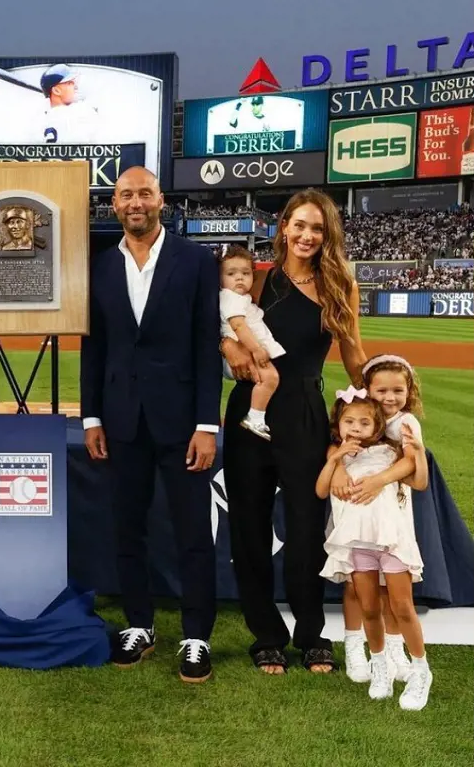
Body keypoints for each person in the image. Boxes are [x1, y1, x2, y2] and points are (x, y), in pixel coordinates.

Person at [80, 166, 220, 683]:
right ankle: (140, 624)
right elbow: (94, 347)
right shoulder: (98, 265)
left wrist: (208, 423)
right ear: (113, 205)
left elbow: (207, 345)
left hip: (183, 422)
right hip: (119, 419)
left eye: (144, 192)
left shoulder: (196, 260)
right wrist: (91, 415)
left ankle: (196, 635)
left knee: (191, 533)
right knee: (127, 528)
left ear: (161, 198)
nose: (135, 202)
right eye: (125, 195)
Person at [220, 189, 367, 676]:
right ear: (283, 226)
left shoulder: (340, 284)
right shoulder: (256, 281)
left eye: (318, 228)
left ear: (328, 235)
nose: (307, 235)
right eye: (299, 225)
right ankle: (266, 635)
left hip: (305, 409)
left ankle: (310, 634)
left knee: (307, 529)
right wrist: (229, 347)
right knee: (249, 527)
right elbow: (219, 322)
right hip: (251, 411)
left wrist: (383, 399)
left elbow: (352, 355)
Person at [318, 387, 432, 711]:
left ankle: (420, 670)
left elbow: (420, 481)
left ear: (378, 425)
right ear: (337, 425)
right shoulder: (338, 455)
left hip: (392, 540)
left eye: (364, 423)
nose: (356, 428)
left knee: (401, 606)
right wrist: (337, 459)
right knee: (369, 608)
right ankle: (378, 665)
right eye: (348, 422)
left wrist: (418, 452)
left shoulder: (390, 453)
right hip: (358, 543)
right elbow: (320, 489)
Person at [339, 354, 430, 685]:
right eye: (382, 391)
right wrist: (336, 468)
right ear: (367, 390)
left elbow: (413, 468)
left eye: (398, 390)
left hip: (389, 512)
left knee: (390, 586)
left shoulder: (406, 423)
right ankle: (354, 645)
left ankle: (393, 648)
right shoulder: (358, 417)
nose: (390, 398)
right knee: (355, 583)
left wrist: (379, 480)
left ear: (409, 391)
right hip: (352, 508)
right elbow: (336, 446)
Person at [218, 245, 285, 440]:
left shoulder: (240, 298)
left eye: (245, 273)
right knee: (270, 377)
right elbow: (238, 325)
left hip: (243, 353)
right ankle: (255, 417)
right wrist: (256, 349)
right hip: (243, 355)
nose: (239, 278)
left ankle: (256, 416)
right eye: (231, 273)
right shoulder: (230, 298)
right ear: (221, 279)